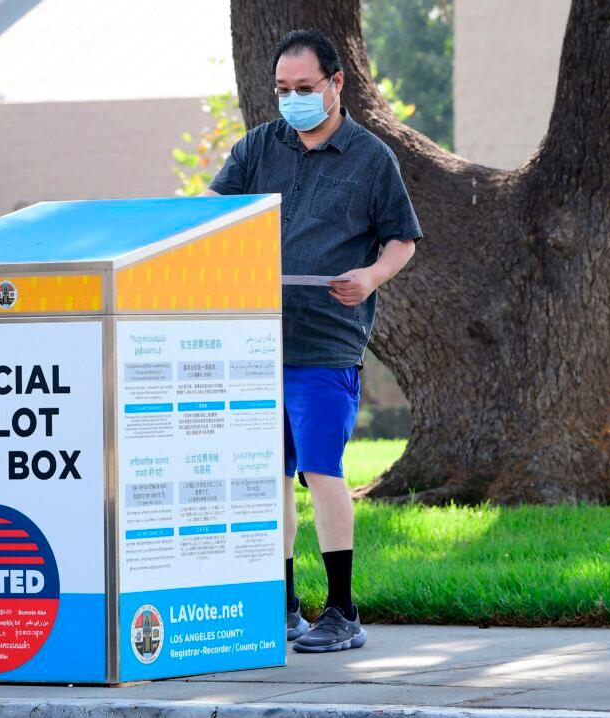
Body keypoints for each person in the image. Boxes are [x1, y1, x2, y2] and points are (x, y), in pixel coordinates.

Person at [205, 29, 421, 653]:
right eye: (283, 90)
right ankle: (283, 607)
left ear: (336, 84)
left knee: (323, 472)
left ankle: (343, 612)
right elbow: (210, 216)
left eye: (304, 89)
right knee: (268, 477)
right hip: (257, 342)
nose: (292, 99)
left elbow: (402, 238)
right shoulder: (257, 149)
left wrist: (372, 275)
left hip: (327, 343)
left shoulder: (371, 157)